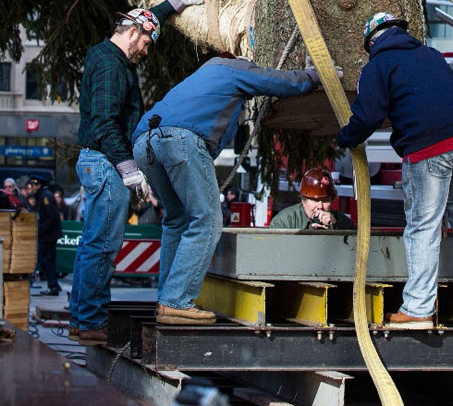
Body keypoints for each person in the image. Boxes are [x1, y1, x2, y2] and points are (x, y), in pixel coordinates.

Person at [132, 51, 324, 326]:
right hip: (181, 140)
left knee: (177, 219)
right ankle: (176, 301)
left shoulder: (199, 78)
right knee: (207, 221)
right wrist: (309, 78)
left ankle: (167, 300)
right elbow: (273, 81)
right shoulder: (232, 69)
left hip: (145, 142)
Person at [335, 12, 453, 330]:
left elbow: (368, 116)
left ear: (372, 42)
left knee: (422, 226)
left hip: (432, 147)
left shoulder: (377, 66)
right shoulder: (429, 55)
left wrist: (344, 138)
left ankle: (418, 308)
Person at [68, 0, 204, 345]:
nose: (147, 51)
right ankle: (92, 322)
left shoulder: (108, 54)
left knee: (93, 243)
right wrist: (127, 170)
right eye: (146, 43)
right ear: (131, 34)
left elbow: (149, 19)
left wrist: (172, 2)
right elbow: (105, 123)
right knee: (102, 245)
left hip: (98, 161)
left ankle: (82, 319)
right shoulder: (113, 67)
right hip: (105, 162)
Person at [269, 167, 355, 230]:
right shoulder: (285, 221)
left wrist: (336, 227)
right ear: (303, 200)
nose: (320, 206)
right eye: (315, 200)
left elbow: (354, 247)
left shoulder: (341, 222)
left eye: (325, 201)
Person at [29, 173, 63, 295]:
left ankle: (53, 286)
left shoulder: (45, 197)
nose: (32, 187)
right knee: (46, 260)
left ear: (39, 185)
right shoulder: (41, 196)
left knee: (45, 260)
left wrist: (42, 230)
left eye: (34, 184)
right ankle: (53, 285)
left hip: (48, 235)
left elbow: (51, 217)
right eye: (31, 184)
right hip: (47, 234)